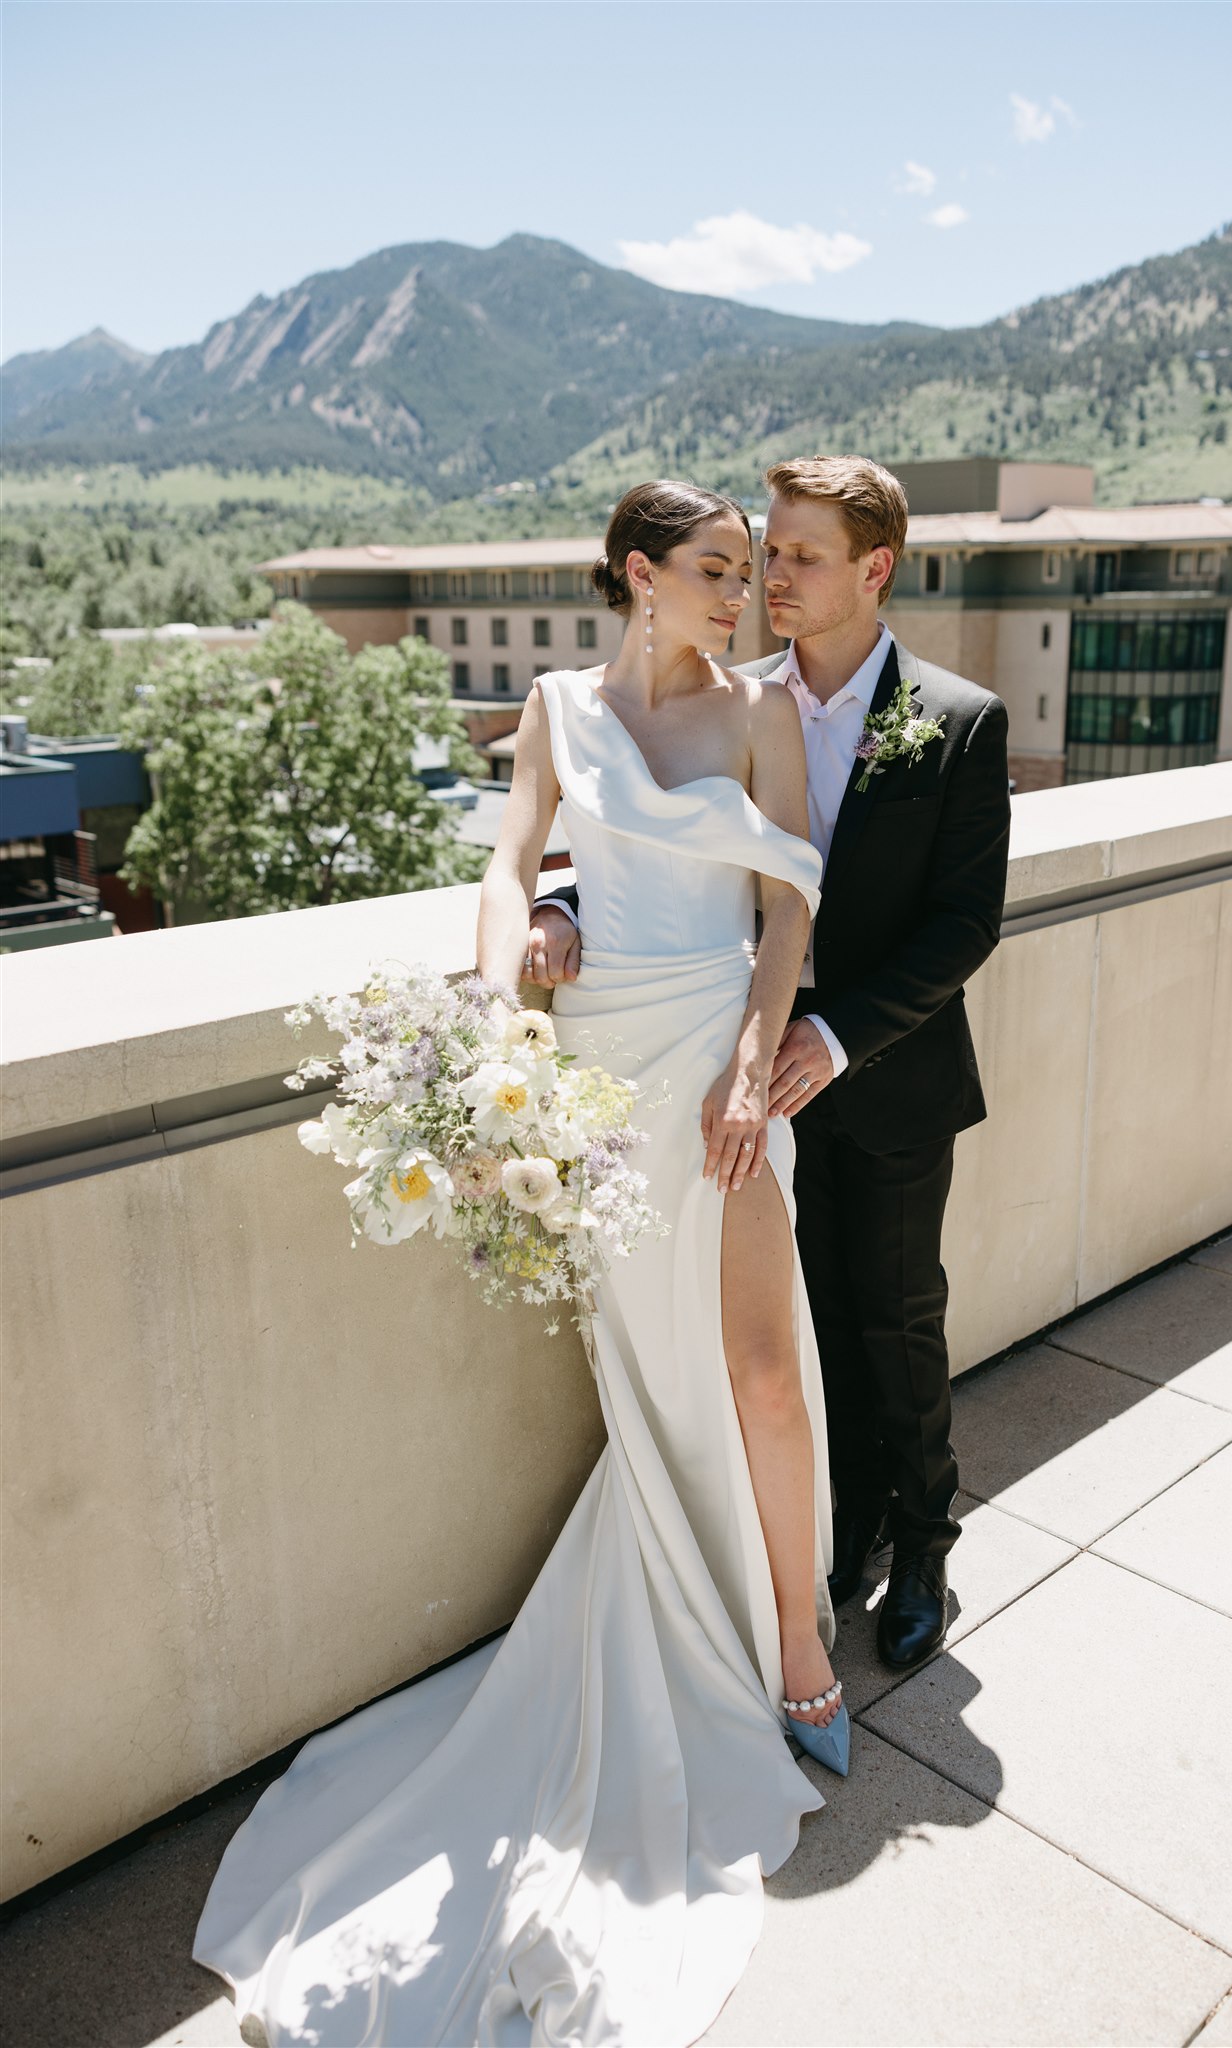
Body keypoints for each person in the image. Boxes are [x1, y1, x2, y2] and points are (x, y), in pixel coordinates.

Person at [193, 481, 849, 2048]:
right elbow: (510, 867)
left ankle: (802, 1657)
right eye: (715, 569)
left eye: (753, 572)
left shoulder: (762, 714)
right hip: (599, 1080)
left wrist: (754, 1067)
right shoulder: (555, 707)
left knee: (760, 1370)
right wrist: (500, 1011)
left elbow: (786, 912)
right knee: (652, 1391)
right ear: (639, 576)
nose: (744, 594)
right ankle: (693, 1637)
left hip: (718, 1066)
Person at [531, 457, 1011, 1677]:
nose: (771, 578)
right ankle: (830, 1547)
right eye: (763, 555)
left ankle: (924, 1550)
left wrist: (833, 1033)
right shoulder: (731, 696)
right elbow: (663, 840)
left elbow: (965, 924)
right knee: (801, 1328)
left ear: (873, 569)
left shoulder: (957, 718)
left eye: (797, 556)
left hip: (881, 1070)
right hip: (720, 1055)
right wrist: (567, 906)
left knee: (897, 1319)